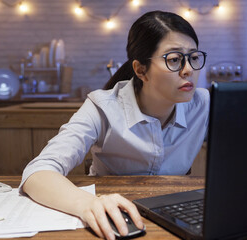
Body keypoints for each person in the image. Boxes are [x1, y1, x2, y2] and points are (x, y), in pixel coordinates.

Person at [20, 10, 209, 240]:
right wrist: (86, 204)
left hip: (178, 218)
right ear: (141, 70)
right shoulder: (102, 106)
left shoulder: (205, 104)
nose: (188, 69)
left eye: (194, 57)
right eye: (174, 59)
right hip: (112, 220)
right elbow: (37, 172)